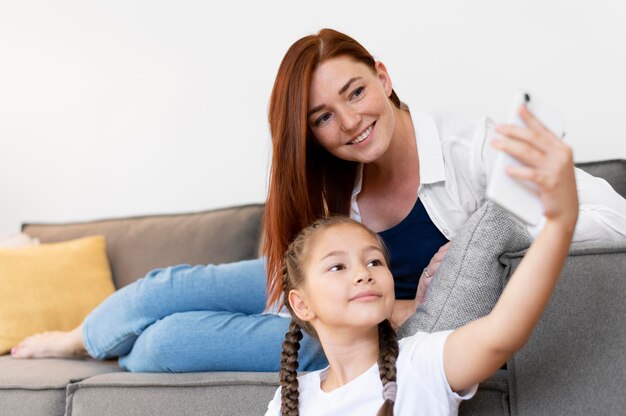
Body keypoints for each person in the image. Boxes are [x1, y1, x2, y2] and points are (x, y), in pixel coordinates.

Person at [11, 28, 626, 372]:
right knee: (163, 290)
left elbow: (614, 219)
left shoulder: (477, 149)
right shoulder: (329, 177)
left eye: (357, 91)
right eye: (323, 118)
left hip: (366, 333)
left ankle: (118, 347)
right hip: (318, 299)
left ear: (383, 76)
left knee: (164, 347)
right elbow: (296, 287)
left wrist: (485, 240)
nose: (351, 123)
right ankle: (79, 339)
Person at [265, 124, 579, 415]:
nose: (364, 273)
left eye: (374, 260)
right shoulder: (290, 398)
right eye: (338, 266)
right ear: (302, 304)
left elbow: (502, 333)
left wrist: (560, 224)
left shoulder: (422, 361)